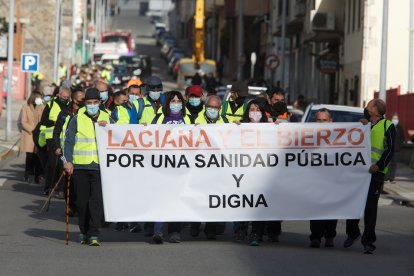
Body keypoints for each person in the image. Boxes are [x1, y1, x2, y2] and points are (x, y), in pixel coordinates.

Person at [345, 99, 395, 254]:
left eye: (369, 105)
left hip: (375, 174)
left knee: (370, 209)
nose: (366, 107)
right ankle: (353, 233)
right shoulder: (364, 125)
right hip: (359, 173)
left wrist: (378, 166)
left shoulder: (388, 126)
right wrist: (361, 126)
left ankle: (368, 242)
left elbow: (390, 150)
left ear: (375, 110)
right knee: (352, 203)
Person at [63, 88, 112, 246]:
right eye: (89, 103)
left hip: (100, 167)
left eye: (95, 103)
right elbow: (69, 141)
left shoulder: (108, 117)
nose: (92, 105)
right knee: (82, 202)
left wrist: (108, 128)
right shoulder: (76, 119)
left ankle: (94, 234)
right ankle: (83, 231)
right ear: (85, 103)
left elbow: (118, 137)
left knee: (96, 202)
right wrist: (68, 161)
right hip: (81, 166)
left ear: (100, 102)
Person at [238, 99, 281, 246]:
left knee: (259, 203)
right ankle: (241, 228)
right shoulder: (240, 127)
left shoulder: (268, 128)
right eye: (251, 109)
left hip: (262, 173)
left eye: (257, 109)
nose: (254, 112)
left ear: (262, 112)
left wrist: (277, 128)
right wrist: (233, 128)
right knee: (243, 202)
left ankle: (256, 232)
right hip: (243, 173)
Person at [151, 91, 192, 244]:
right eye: (173, 101)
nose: (176, 103)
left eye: (178, 100)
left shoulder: (187, 118)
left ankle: (175, 232)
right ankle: (158, 230)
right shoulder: (160, 118)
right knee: (161, 198)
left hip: (182, 166)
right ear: (167, 103)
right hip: (163, 165)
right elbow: (148, 136)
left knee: (178, 199)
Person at [190, 95, 228, 239]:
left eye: (215, 107)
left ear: (220, 109)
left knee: (214, 198)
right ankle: (195, 225)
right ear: (205, 107)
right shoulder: (195, 121)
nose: (212, 110)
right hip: (198, 166)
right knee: (198, 198)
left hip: (217, 167)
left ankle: (210, 229)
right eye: (210, 107)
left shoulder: (225, 123)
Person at [309, 108, 338, 248]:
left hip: (332, 178)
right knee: (315, 207)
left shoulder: (339, 137)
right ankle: (315, 237)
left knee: (331, 207)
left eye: (324, 120)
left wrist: (363, 125)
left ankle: (330, 235)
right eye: (318, 120)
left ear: (331, 121)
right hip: (315, 177)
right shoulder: (307, 136)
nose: (321, 123)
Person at [53, 87, 85, 208]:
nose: (82, 101)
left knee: (78, 182)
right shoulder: (64, 112)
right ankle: (70, 206)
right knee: (68, 181)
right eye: (80, 99)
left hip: (81, 153)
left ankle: (78, 205)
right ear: (74, 99)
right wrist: (56, 146)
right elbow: (56, 132)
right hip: (65, 152)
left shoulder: (85, 113)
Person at [39, 84, 71, 195]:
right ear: (58, 95)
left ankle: (60, 188)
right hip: (52, 138)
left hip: (65, 139)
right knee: (52, 164)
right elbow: (43, 121)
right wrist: (55, 123)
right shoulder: (51, 104)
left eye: (68, 98)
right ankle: (48, 187)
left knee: (63, 164)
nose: (66, 100)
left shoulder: (70, 106)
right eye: (64, 97)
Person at [20, 92, 45, 183]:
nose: (40, 99)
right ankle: (27, 173)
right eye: (38, 97)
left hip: (38, 135)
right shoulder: (25, 107)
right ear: (34, 97)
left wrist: (38, 129)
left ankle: (37, 175)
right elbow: (23, 122)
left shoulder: (42, 107)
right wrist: (33, 129)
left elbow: (43, 119)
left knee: (37, 156)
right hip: (29, 134)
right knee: (29, 156)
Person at [385, 113, 404, 183]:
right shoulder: (389, 126)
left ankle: (391, 177)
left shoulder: (400, 127)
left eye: (396, 118)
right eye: (394, 118)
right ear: (392, 119)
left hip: (396, 149)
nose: (395, 120)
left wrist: (399, 147)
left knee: (394, 164)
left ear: (398, 119)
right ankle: (386, 177)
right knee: (388, 163)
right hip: (389, 148)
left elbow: (402, 138)